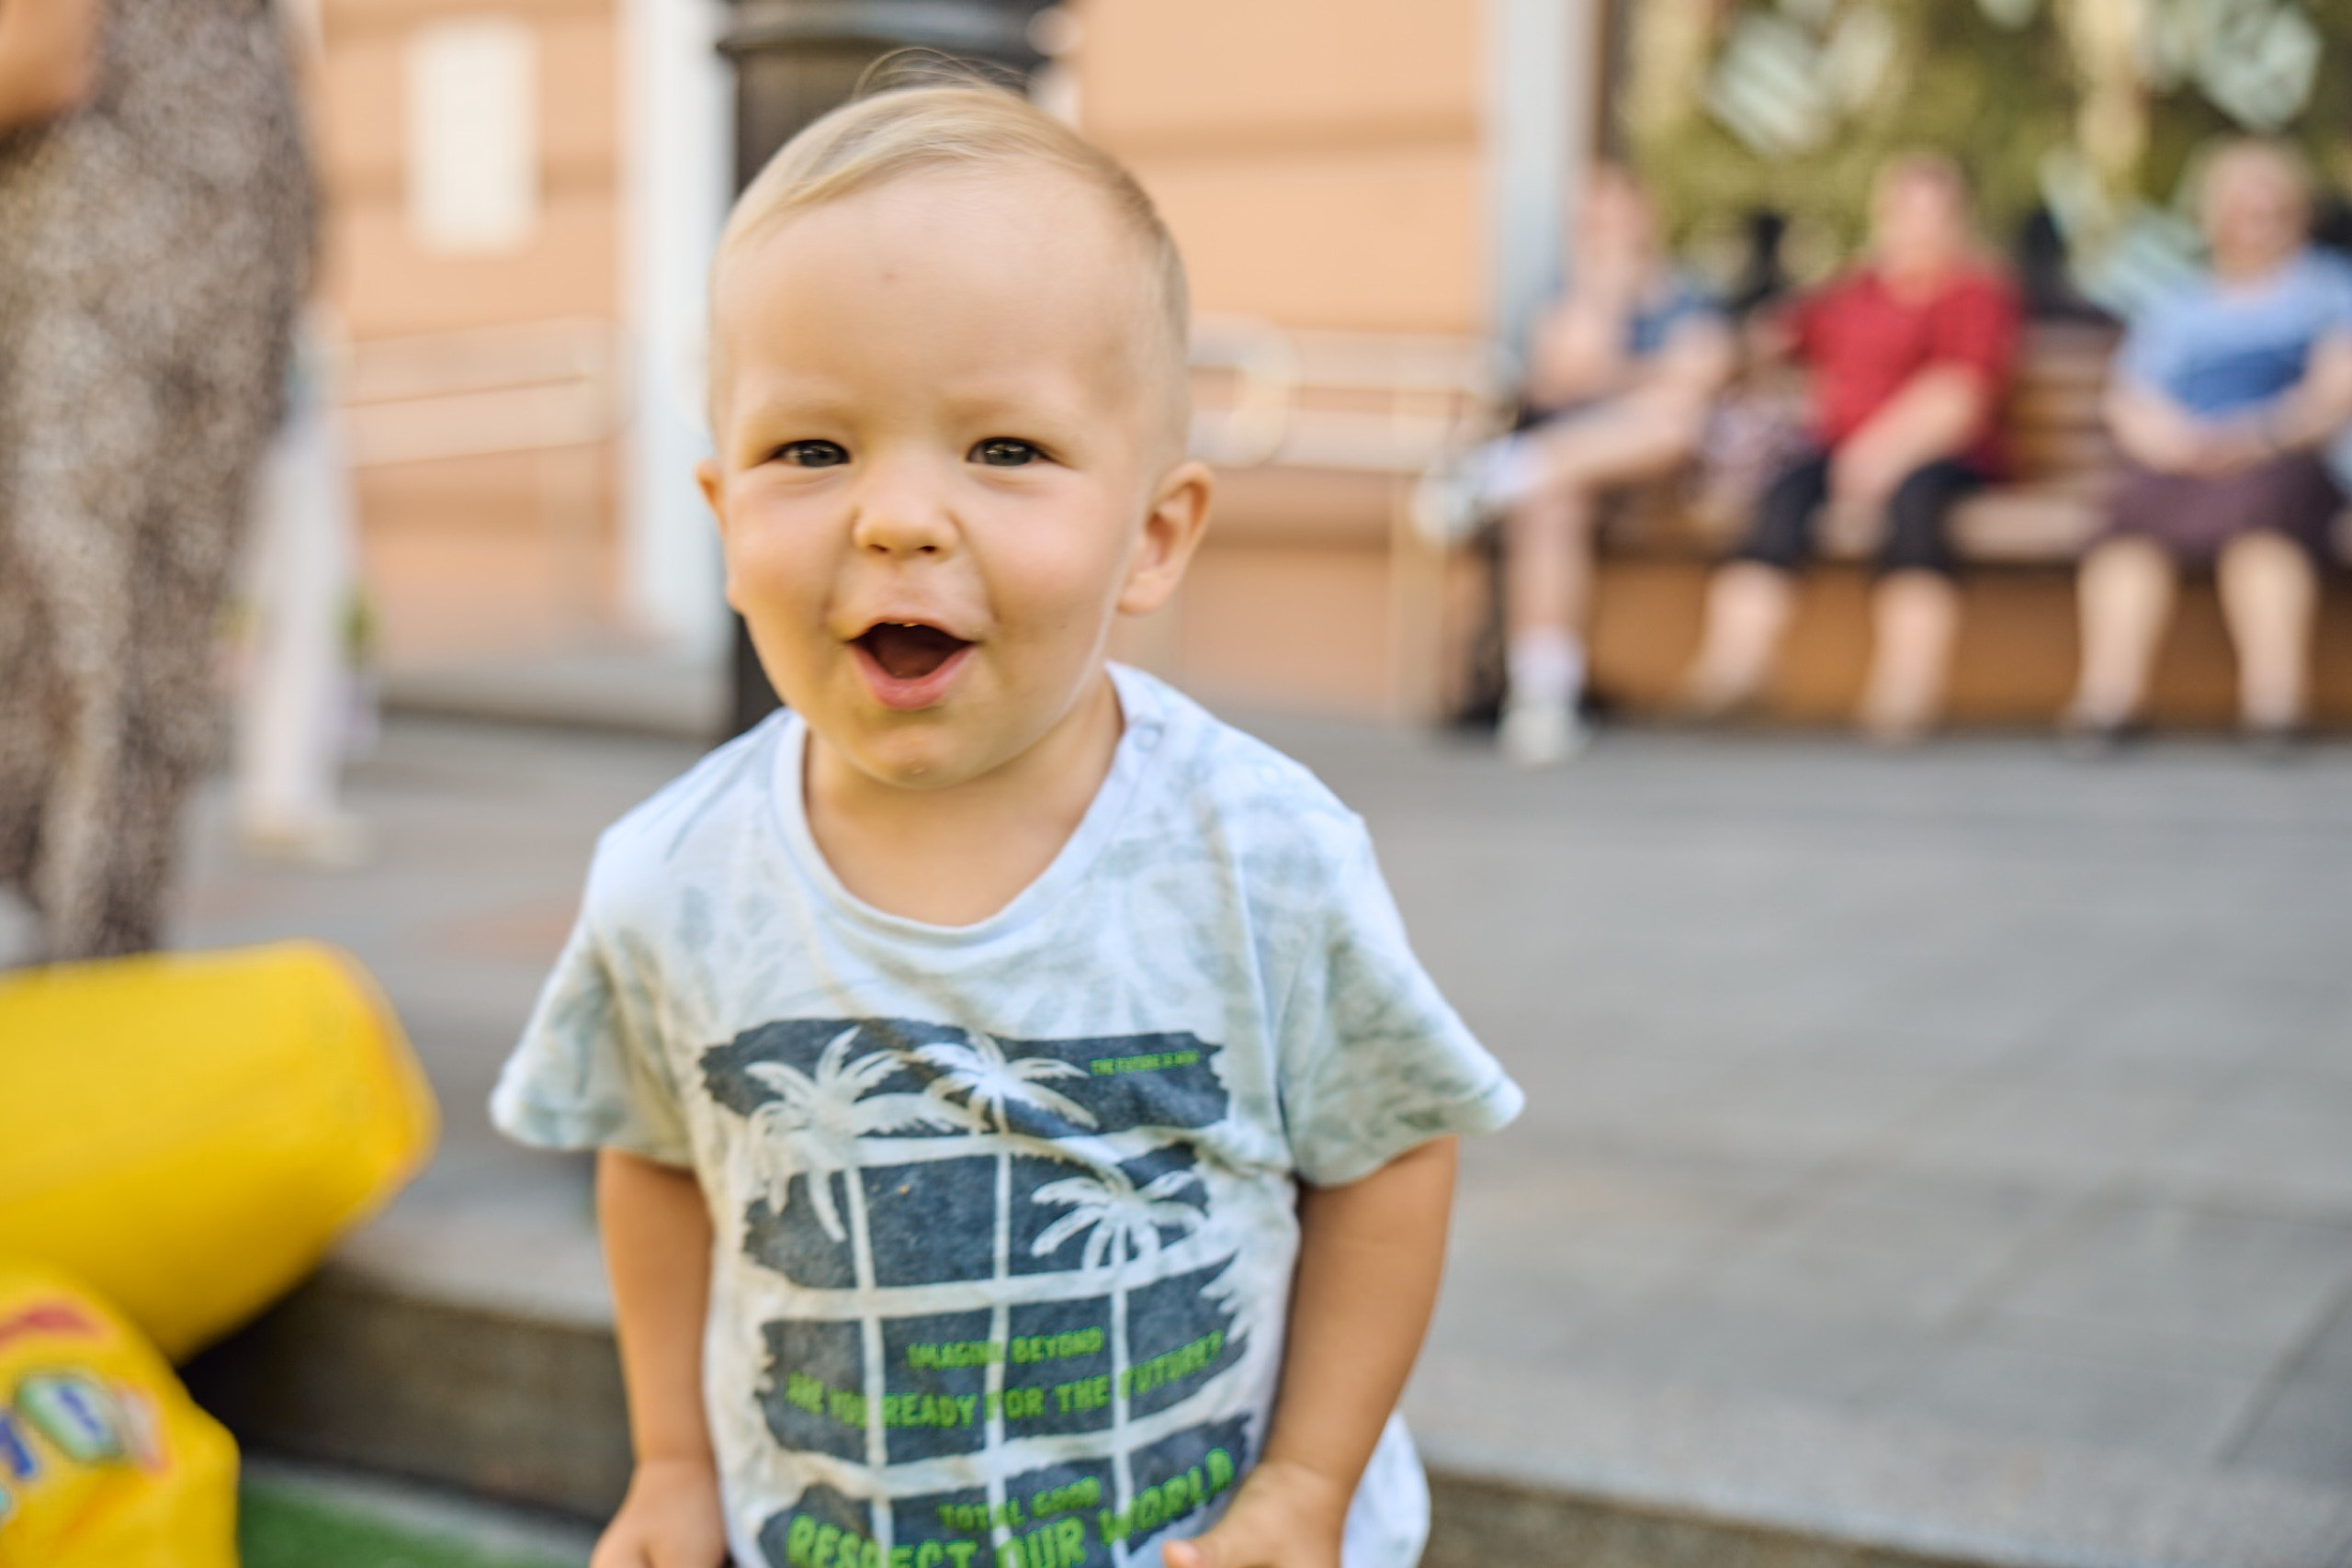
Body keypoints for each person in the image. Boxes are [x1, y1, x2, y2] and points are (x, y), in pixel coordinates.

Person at [490, 83, 1523, 1568]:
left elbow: (1391, 1151)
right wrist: (668, 1460)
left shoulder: (1259, 853)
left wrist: (1305, 1490)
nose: (899, 517)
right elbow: (655, 1152)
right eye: (815, 451)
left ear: (1153, 535)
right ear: (722, 518)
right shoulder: (673, 875)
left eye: (1004, 451)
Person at [0, 0, 314, 959]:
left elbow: (41, 55)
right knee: (134, 665)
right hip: (215, 245)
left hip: (96, 256)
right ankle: (100, 968)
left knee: (67, 651)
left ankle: (72, 969)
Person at [1679, 154, 2022, 742]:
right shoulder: (1854, 291)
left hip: (1942, 458)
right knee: (1783, 494)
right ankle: (1737, 668)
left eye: (1931, 213)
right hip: (1840, 451)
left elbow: (1960, 397)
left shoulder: (1977, 295)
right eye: (1904, 212)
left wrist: (1880, 455)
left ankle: (1906, 689)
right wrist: (1709, 350)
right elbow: (1774, 338)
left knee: (1915, 506)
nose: (1915, 227)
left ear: (1957, 220)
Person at [1416, 164, 1733, 765]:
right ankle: (1544, 698)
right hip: (1581, 467)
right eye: (1590, 220)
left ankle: (1504, 472)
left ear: (1646, 217)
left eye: (1614, 216)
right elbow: (1561, 379)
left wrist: (1625, 382)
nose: (1602, 230)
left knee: (1670, 425)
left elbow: (1696, 386)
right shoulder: (1566, 294)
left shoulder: (1687, 291)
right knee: (1552, 501)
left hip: (1666, 474)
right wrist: (1608, 303)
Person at [2065, 139, 2352, 750]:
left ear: (2299, 214)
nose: (2258, 224)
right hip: (2185, 457)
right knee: (2130, 523)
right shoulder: (2181, 302)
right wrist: (2172, 442)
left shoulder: (2329, 288)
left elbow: (2336, 390)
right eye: (2245, 210)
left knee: (2263, 521)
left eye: (2272, 210)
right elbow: (2130, 397)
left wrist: (2260, 436)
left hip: (2284, 457)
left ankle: (2274, 703)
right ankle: (2109, 701)